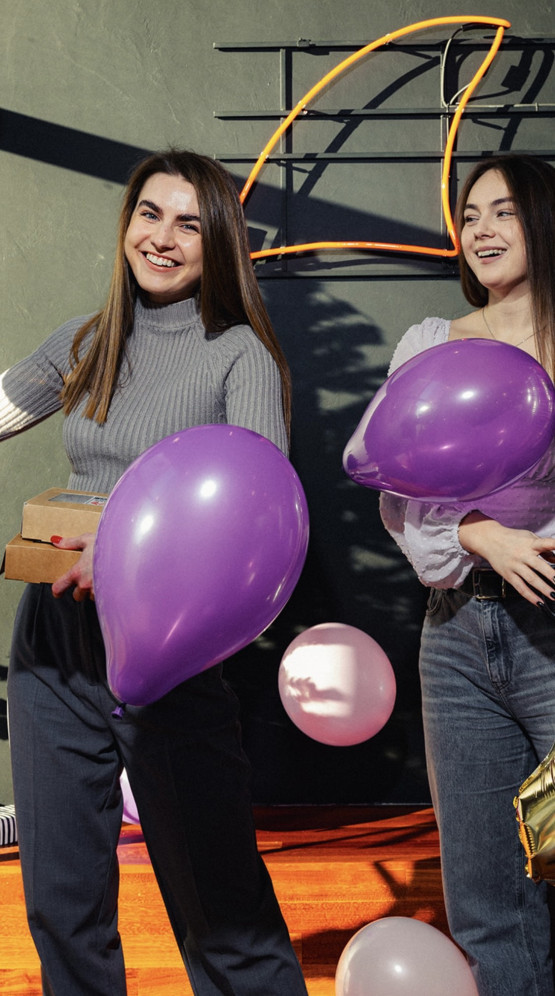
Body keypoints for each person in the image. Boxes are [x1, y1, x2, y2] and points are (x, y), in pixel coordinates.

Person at [4, 149, 309, 996]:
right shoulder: (90, 339)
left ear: (219, 242)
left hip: (171, 646)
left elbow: (254, 517)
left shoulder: (239, 355)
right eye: (148, 214)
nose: (162, 238)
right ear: (127, 223)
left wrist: (127, 554)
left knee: (222, 912)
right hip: (55, 641)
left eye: (187, 224)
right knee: (61, 901)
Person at [379, 153, 555, 996]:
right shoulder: (428, 346)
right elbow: (400, 500)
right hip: (453, 634)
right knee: (487, 899)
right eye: (470, 214)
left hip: (549, 625)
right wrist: (480, 532)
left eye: (503, 211)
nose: (480, 230)